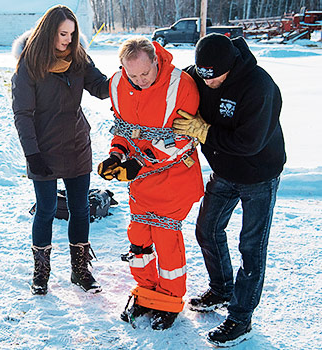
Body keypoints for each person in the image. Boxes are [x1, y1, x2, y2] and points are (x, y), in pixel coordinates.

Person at [173, 33, 286, 346]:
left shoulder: (259, 86)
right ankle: (221, 288)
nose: (208, 84)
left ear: (231, 66)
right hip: (223, 171)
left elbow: (249, 143)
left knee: (251, 247)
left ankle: (240, 317)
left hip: (258, 173)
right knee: (206, 230)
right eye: (203, 76)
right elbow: (173, 83)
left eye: (215, 78)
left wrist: (204, 131)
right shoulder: (201, 75)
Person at [97, 37, 204, 330]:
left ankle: (170, 299)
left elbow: (183, 139)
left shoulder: (181, 86)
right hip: (140, 181)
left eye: (146, 73)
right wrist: (116, 155)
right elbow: (123, 128)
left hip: (174, 177)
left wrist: (138, 162)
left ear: (156, 60)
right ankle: (146, 293)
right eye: (133, 76)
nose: (140, 81)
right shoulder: (118, 84)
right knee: (139, 238)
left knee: (165, 238)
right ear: (122, 68)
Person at [11, 5, 110, 296]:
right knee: (46, 209)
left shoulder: (78, 58)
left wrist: (127, 75)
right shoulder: (29, 65)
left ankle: (80, 271)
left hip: (77, 145)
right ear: (48, 32)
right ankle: (41, 272)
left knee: (80, 210)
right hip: (43, 150)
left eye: (72, 34)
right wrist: (32, 154)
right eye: (62, 34)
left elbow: (101, 87)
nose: (68, 40)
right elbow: (23, 114)